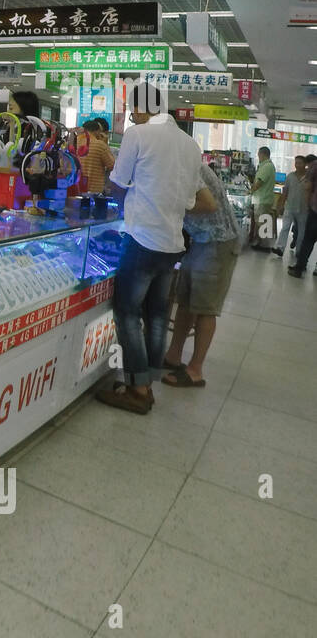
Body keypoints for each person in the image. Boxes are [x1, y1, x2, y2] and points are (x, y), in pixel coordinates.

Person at [95, 83, 216, 415]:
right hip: (173, 243)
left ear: (143, 108)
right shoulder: (191, 145)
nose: (132, 117)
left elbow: (118, 183)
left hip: (142, 238)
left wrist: (123, 204)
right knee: (158, 314)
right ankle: (147, 382)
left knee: (128, 313)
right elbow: (192, 198)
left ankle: (138, 389)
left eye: (134, 110)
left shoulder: (139, 135)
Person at [162, 162, 242, 389]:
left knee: (205, 308)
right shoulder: (177, 159)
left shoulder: (185, 163)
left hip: (219, 241)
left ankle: (195, 370)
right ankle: (173, 356)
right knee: (186, 301)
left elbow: (208, 204)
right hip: (201, 239)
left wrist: (170, 206)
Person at [0, 90, 41, 204]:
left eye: (12, 106)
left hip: (9, 197)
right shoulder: (2, 130)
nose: (8, 108)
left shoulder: (31, 136)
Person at [286, 153, 317, 277]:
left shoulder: (313, 167)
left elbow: (307, 187)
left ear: (307, 163)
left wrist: (307, 204)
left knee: (308, 240)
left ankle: (300, 268)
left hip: (315, 210)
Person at [273, 154, 309, 258]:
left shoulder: (309, 177)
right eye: (296, 162)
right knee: (285, 228)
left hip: (303, 209)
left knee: (301, 232)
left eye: (299, 163)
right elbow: (285, 192)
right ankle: (280, 248)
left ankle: (299, 251)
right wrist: (281, 205)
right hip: (290, 207)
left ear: (305, 164)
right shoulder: (290, 176)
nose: (297, 165)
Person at [248, 146, 277, 249]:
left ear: (262, 154)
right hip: (261, 199)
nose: (258, 157)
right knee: (261, 221)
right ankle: (260, 243)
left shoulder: (267, 166)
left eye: (258, 155)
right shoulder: (265, 166)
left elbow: (259, 182)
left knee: (262, 222)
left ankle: (264, 246)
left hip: (263, 199)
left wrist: (250, 191)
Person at [79, 118, 115, 194]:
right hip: (94, 191)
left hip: (75, 188)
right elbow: (112, 165)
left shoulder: (74, 142)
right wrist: (105, 144)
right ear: (97, 131)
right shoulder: (100, 145)